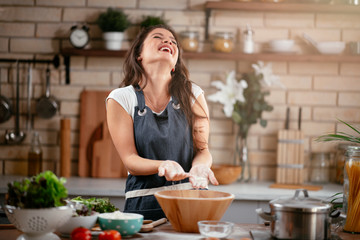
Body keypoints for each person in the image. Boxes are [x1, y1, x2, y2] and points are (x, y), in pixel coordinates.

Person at [106, 24, 218, 220]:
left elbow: (203, 150)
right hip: (143, 205)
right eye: (158, 37)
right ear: (139, 54)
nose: (168, 41)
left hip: (191, 198)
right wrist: (163, 165)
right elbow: (130, 160)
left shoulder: (193, 94)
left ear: (174, 62)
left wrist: (200, 167)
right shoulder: (121, 98)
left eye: (173, 41)